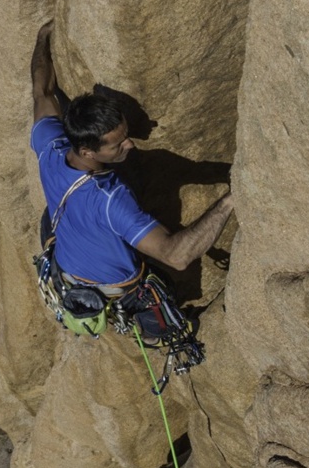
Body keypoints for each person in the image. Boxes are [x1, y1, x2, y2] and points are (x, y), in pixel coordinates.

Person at [30, 20, 234, 334]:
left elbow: (42, 90)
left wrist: (43, 37)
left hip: (66, 268)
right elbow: (176, 256)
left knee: (51, 215)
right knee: (163, 292)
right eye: (119, 143)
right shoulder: (111, 200)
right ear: (88, 151)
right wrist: (230, 200)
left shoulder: (51, 146)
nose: (131, 144)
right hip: (113, 287)